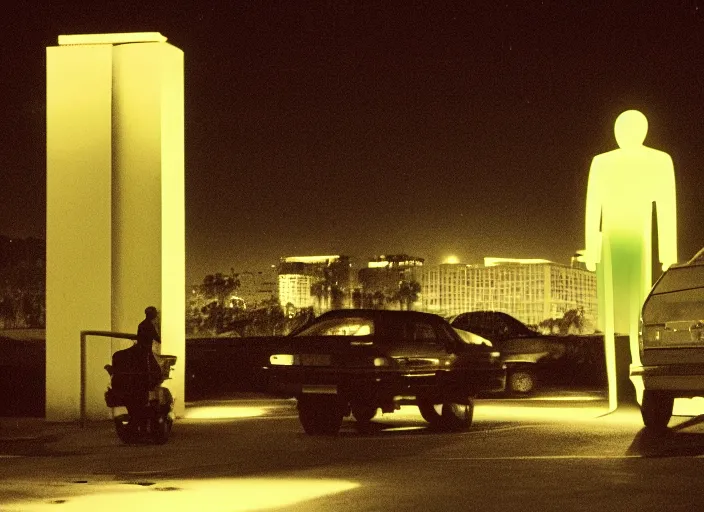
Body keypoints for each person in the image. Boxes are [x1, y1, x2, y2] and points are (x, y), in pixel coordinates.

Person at [110, 306, 164, 431]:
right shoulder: (149, 326)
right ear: (152, 315)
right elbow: (157, 338)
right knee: (154, 372)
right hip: (145, 352)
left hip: (142, 350)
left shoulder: (141, 324)